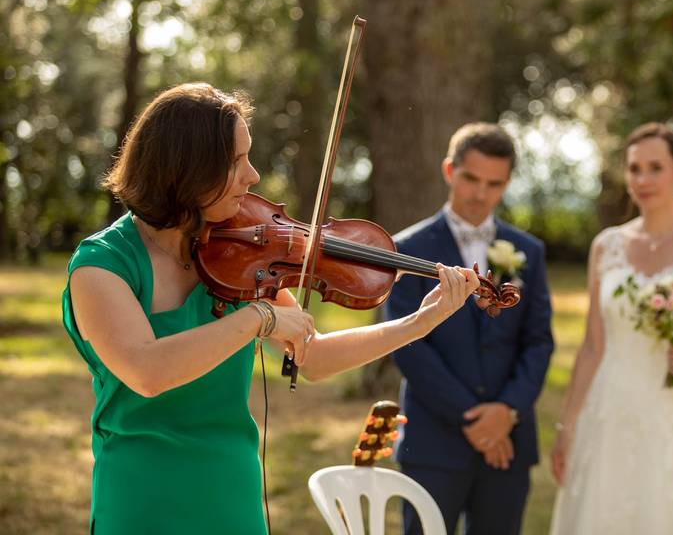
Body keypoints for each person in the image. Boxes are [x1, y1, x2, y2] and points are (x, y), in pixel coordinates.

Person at [61, 83, 481, 535]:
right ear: (187, 169)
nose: (253, 175)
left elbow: (312, 355)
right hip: (143, 496)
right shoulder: (101, 266)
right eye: (237, 161)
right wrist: (258, 317)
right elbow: (148, 373)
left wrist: (420, 322)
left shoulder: (239, 256)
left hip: (232, 492)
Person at [549, 123, 673, 534]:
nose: (642, 179)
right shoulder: (606, 246)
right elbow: (591, 346)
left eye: (655, 168)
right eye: (634, 169)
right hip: (610, 412)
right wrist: (567, 427)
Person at [384, 123, 554, 535]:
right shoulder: (406, 249)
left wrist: (506, 411)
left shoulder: (528, 251)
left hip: (508, 441)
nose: (481, 194)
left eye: (494, 184)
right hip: (434, 438)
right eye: (471, 179)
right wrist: (471, 417)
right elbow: (406, 344)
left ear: (507, 183)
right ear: (449, 171)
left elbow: (538, 341)